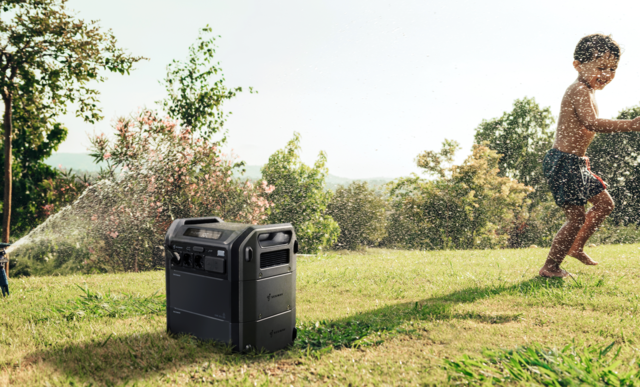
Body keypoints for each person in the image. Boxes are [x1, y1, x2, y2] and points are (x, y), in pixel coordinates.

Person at [539, 34, 640, 278]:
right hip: (563, 162)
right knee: (575, 218)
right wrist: (632, 124)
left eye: (612, 69)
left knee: (605, 204)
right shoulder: (578, 90)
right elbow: (591, 122)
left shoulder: (589, 91)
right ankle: (550, 268)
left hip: (577, 163)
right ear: (578, 65)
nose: (607, 74)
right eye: (601, 67)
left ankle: (576, 247)